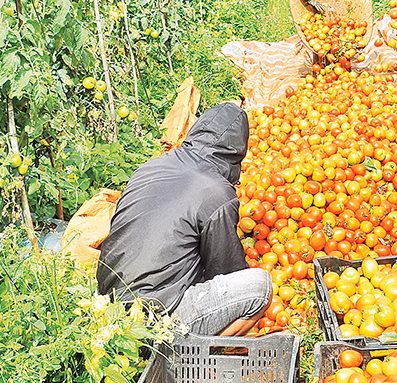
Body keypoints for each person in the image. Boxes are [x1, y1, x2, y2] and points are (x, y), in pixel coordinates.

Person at [96, 102, 272, 337]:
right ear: (236, 151)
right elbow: (226, 271)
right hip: (154, 316)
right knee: (260, 286)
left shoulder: (151, 167)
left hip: (108, 303)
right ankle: (203, 353)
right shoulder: (216, 192)